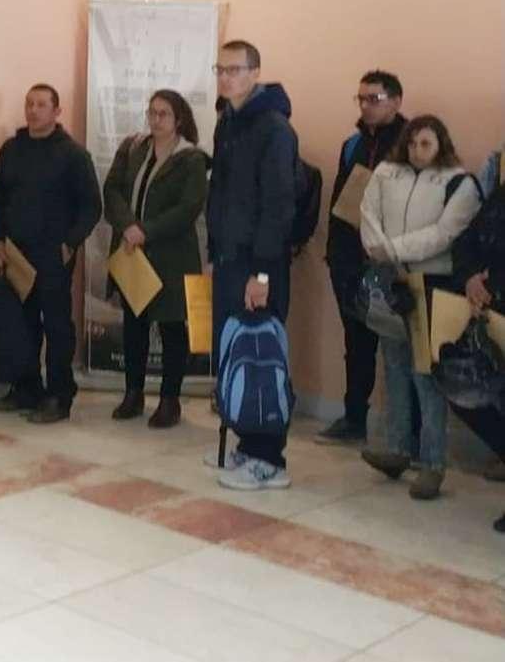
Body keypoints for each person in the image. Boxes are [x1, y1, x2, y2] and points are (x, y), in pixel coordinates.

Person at [359, 115, 481, 500]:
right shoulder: (386, 172)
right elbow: (368, 213)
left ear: (441, 144)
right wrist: (381, 253)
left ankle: (432, 463)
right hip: (390, 279)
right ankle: (397, 449)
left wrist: (393, 250)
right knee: (394, 367)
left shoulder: (460, 183)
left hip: (432, 284)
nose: (416, 150)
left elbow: (444, 234)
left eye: (425, 143)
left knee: (426, 377)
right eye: (412, 143)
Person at [204, 40, 298, 491]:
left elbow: (277, 206)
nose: (226, 78)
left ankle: (269, 460)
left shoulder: (274, 128)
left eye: (235, 69)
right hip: (229, 259)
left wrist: (260, 274)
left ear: (255, 73)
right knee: (234, 351)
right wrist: (214, 253)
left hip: (260, 263)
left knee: (261, 356)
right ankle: (247, 443)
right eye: (220, 69)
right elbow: (222, 196)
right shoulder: (228, 121)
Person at [0, 84, 102, 424]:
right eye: (29, 103)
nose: (33, 110)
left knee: (56, 326)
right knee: (21, 324)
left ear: (57, 111)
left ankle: (58, 395)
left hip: (54, 253)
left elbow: (91, 206)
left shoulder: (73, 154)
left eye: (41, 104)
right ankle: (26, 388)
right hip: (16, 253)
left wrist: (70, 243)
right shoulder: (11, 149)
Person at [102, 90, 207, 428]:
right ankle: (133, 394)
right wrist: (128, 226)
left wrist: (146, 231)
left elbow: (188, 208)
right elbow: (112, 190)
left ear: (179, 119)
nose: (156, 120)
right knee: (134, 326)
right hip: (132, 252)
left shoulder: (191, 158)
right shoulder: (133, 148)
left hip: (171, 257)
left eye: (164, 114)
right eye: (152, 113)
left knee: (172, 328)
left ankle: (169, 400)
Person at [317, 70, 408, 445]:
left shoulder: (410, 143)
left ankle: (408, 432)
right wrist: (334, 252)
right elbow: (340, 200)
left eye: (375, 99)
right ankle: (354, 417)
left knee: (400, 349)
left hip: (390, 259)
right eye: (361, 99)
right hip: (349, 258)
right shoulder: (352, 144)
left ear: (396, 102)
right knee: (356, 344)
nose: (366, 106)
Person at [452, 177, 505, 525]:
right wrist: (471, 277)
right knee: (462, 391)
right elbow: (467, 241)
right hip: (491, 313)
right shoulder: (501, 195)